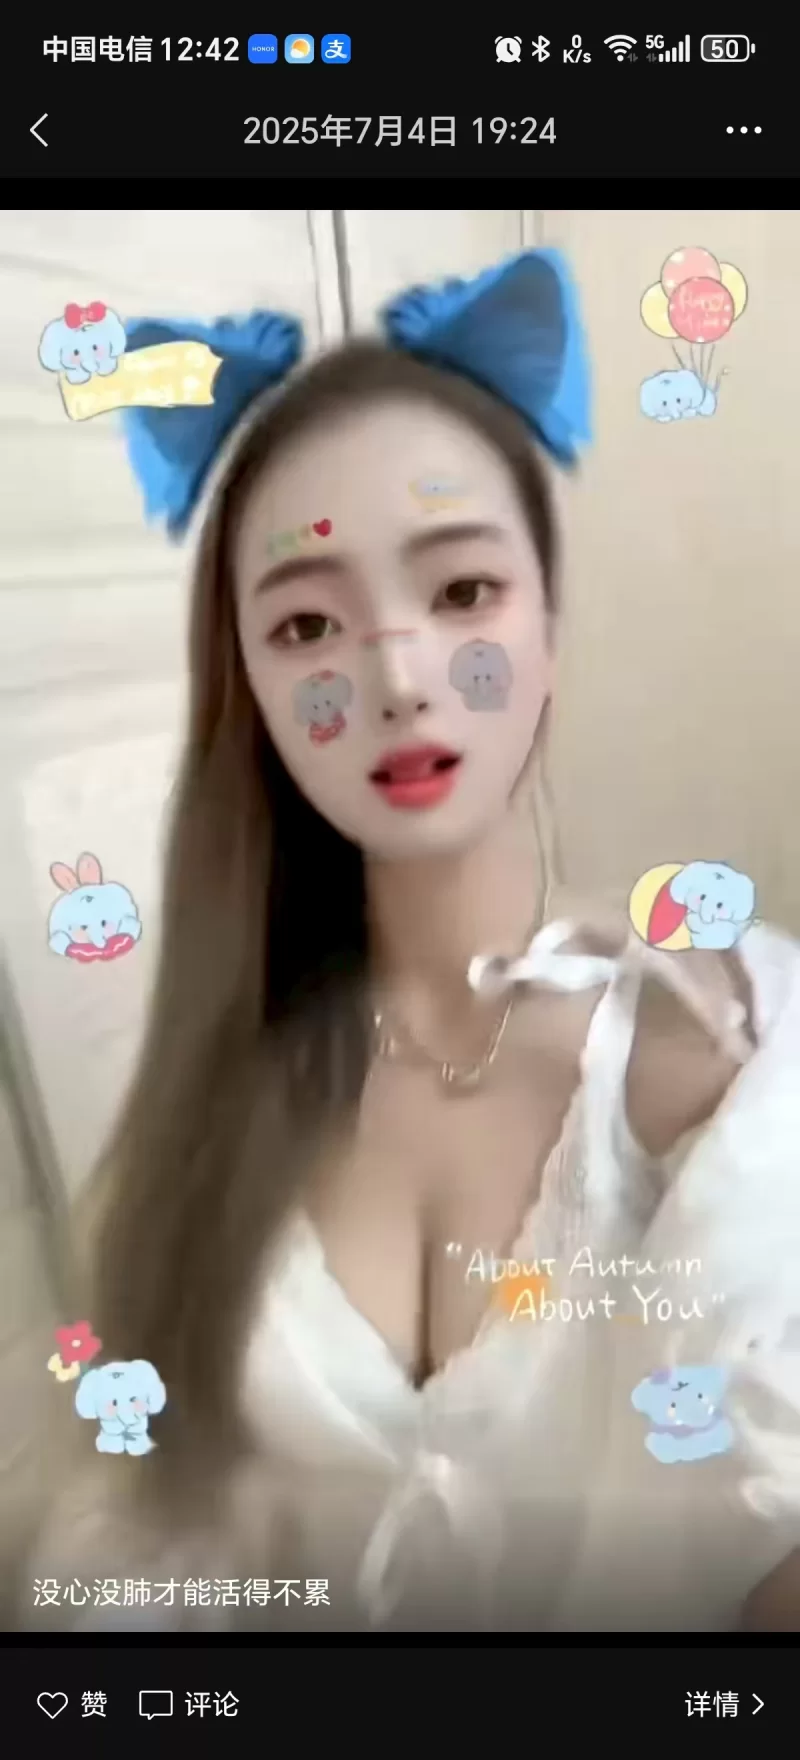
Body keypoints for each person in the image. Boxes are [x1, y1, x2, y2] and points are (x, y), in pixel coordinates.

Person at [22, 252, 800, 1633]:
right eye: (307, 623)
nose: (395, 677)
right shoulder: (203, 1108)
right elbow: (133, 1543)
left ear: (550, 625)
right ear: (249, 689)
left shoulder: (722, 1060)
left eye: (461, 593)